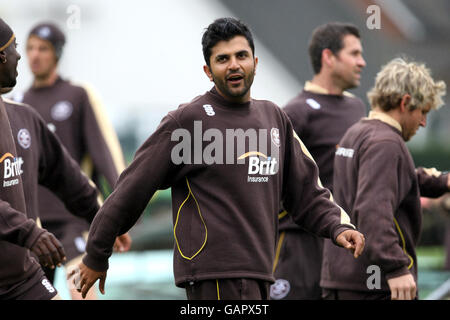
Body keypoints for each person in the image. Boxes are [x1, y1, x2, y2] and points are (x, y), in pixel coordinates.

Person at [72, 17, 365, 300]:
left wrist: (337, 226)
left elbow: (306, 192)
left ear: (255, 62)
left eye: (241, 55)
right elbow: (131, 189)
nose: (234, 64)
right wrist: (97, 253)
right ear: (208, 71)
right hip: (212, 275)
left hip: (261, 272)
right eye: (223, 59)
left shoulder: (274, 118)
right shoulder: (188, 121)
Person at [320, 57, 449, 300]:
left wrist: (442, 182)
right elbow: (372, 211)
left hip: (341, 275)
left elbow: (395, 179)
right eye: (423, 112)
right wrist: (396, 267)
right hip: (375, 282)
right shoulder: (386, 143)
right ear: (406, 102)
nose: (423, 122)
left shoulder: (356, 132)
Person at [16, 22, 128, 299]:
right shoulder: (17, 103)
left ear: (57, 53)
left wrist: (121, 213)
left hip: (74, 219)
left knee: (79, 291)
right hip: (34, 224)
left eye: (42, 48)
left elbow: (105, 154)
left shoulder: (78, 95)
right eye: (29, 48)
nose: (35, 55)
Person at [271, 22, 367, 300]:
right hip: (297, 245)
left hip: (342, 242)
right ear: (328, 57)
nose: (362, 62)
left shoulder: (356, 107)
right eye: (354, 54)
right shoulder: (295, 112)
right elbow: (267, 176)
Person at [0, 17, 65, 300]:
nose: (23, 57)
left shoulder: (17, 112)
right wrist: (29, 232)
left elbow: (65, 173)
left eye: (43, 49)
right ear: (2, 55)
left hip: (21, 275)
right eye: (18, 48)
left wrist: (101, 216)